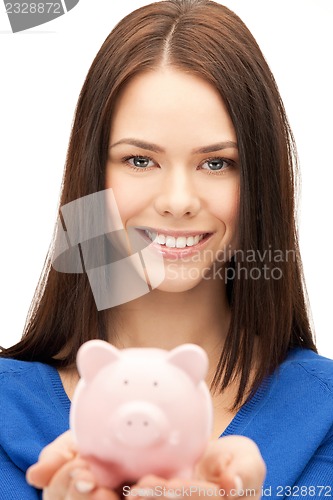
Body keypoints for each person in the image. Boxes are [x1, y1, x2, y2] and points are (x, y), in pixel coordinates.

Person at [0, 0, 332, 498]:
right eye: (139, 160)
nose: (178, 201)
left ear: (263, 183)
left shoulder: (321, 413)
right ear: (91, 176)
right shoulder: (9, 406)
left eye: (217, 163)